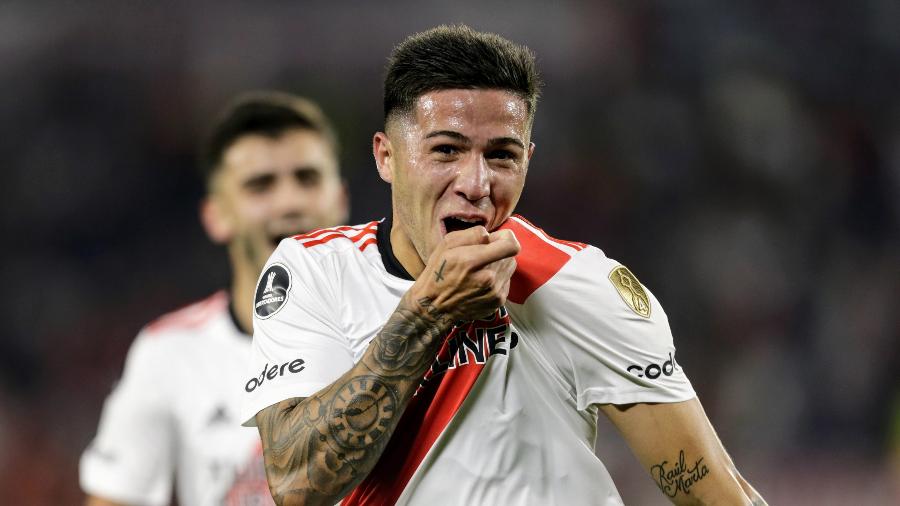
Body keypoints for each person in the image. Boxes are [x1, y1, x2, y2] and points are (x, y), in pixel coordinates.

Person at [241, 26, 767, 505]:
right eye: (446, 150)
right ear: (386, 157)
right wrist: (426, 313)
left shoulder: (578, 283)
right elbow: (297, 484)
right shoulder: (313, 273)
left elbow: (714, 491)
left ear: (528, 161)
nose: (476, 183)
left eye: (502, 155)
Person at [79, 91, 349, 506]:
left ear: (340, 199)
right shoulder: (170, 352)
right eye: (261, 185)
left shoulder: (401, 330)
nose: (290, 202)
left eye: (307, 178)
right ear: (217, 215)